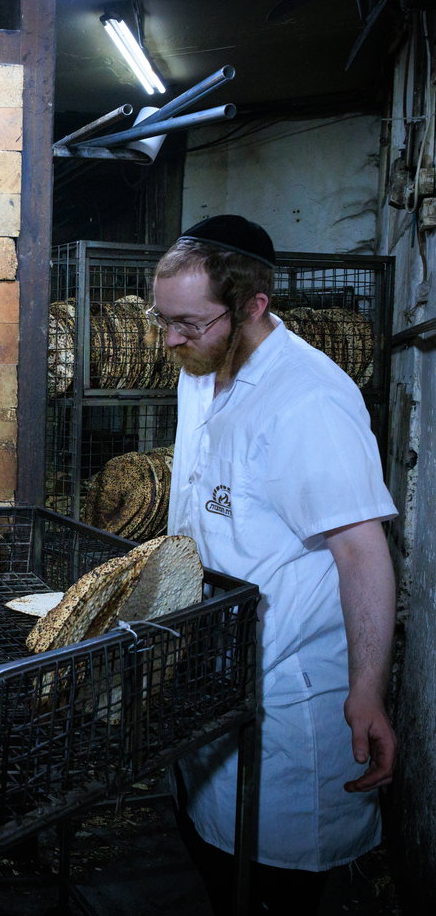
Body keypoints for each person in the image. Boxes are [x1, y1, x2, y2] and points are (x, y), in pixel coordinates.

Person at [150, 215, 398, 914]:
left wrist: (369, 690)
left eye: (189, 324)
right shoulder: (201, 372)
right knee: (210, 853)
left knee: (273, 884)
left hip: (285, 697)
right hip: (210, 685)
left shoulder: (309, 399)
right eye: (162, 319)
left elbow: (362, 552)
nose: (171, 340)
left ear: (254, 306)